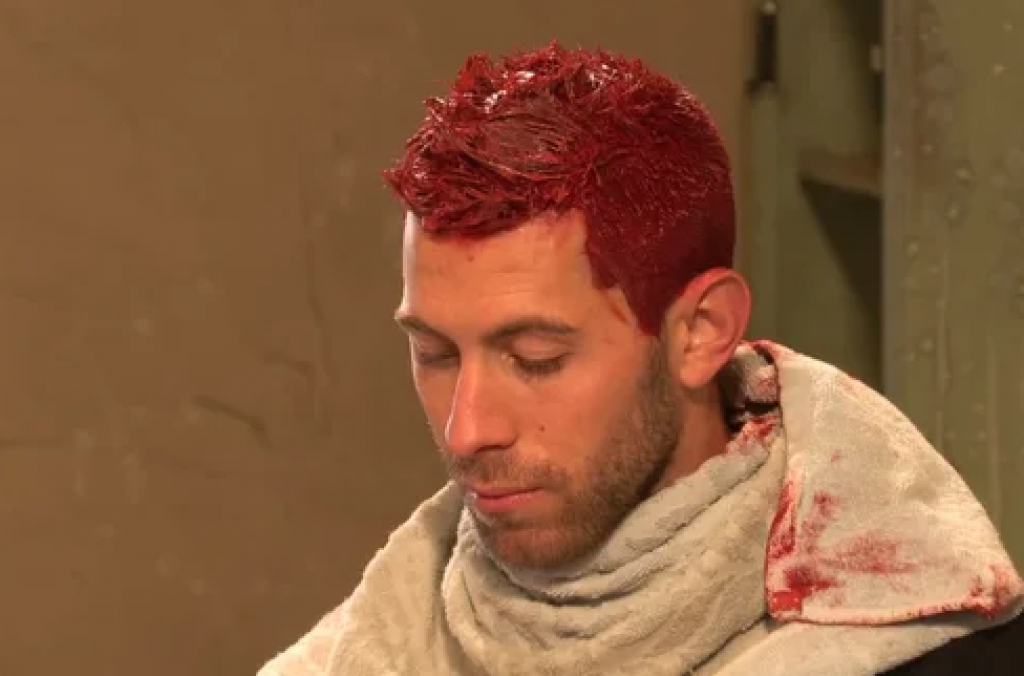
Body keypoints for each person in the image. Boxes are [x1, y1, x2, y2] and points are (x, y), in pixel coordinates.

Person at [259, 43, 1023, 675]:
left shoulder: (950, 655)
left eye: (535, 358)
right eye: (434, 353)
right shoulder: (354, 656)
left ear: (701, 332)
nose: (467, 431)